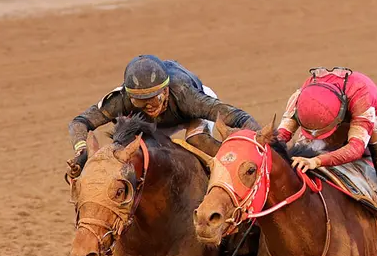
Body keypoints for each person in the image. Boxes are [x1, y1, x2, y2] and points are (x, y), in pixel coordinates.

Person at [67, 55, 258, 178]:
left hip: (187, 115)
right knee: (129, 148)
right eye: (140, 101)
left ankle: (231, 172)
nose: (149, 105)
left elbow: (237, 116)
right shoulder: (121, 99)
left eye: (154, 98)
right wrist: (81, 151)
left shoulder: (186, 96)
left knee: (197, 140)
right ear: (130, 96)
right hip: (149, 124)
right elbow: (80, 122)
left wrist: (262, 142)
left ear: (166, 91)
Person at [275, 67, 377, 230]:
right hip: (325, 122)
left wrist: (316, 161)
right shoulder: (302, 96)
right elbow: (280, 136)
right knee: (304, 146)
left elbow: (356, 149)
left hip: (368, 122)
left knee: (376, 133)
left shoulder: (360, 96)